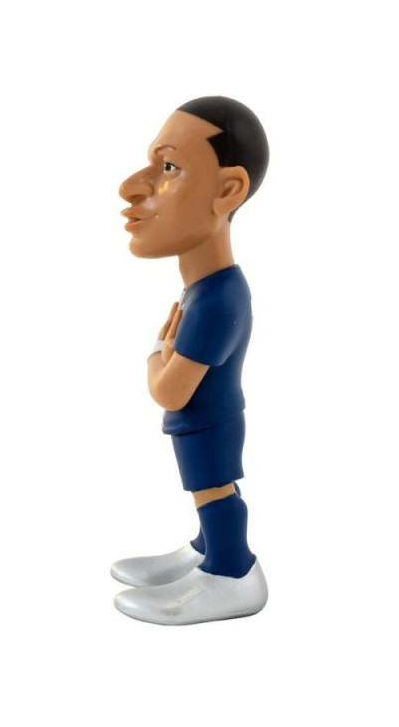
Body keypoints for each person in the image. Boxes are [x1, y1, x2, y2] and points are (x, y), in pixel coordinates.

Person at [112, 96, 269, 625]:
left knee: (214, 489)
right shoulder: (208, 291)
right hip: (207, 420)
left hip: (207, 420)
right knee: (209, 489)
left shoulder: (217, 300)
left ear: (227, 192)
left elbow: (171, 390)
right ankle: (207, 551)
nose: (131, 187)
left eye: (168, 167)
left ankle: (233, 572)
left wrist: (155, 356)